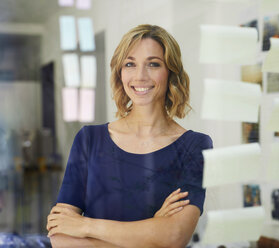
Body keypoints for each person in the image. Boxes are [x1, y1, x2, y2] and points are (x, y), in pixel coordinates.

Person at [46, 24, 213, 247]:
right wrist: (152, 230)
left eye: (153, 64)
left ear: (171, 72)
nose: (140, 76)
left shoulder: (195, 146)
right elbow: (59, 235)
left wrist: (85, 226)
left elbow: (174, 237)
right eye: (130, 64)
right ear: (120, 72)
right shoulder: (89, 140)